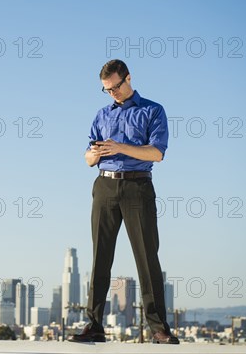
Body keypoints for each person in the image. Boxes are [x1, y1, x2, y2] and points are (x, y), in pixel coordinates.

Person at [68, 59, 179, 345]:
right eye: (107, 89)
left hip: (137, 186)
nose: (113, 93)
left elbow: (157, 153)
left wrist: (119, 147)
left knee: (146, 256)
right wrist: (95, 154)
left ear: (128, 78)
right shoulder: (101, 114)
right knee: (99, 257)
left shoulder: (152, 110)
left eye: (116, 86)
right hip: (104, 185)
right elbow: (87, 158)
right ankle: (93, 326)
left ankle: (158, 328)